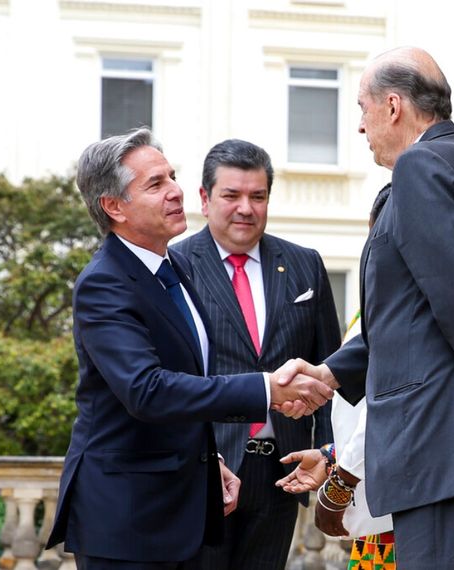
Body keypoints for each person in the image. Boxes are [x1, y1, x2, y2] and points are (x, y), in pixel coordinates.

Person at [278, 46, 454, 569]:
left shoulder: (420, 165)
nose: (360, 125)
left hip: (443, 451)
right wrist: (331, 373)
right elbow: (420, 316)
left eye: (362, 107)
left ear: (393, 106)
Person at [44, 128, 333, 568]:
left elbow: (190, 378)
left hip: (188, 500)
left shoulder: (171, 266)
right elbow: (148, 390)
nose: (175, 192)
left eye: (172, 177)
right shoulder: (104, 282)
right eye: (155, 184)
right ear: (114, 206)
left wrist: (208, 458)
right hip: (127, 518)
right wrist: (265, 389)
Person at [171, 138, 341, 570]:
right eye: (232, 195)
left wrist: (328, 452)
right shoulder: (175, 267)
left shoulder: (305, 264)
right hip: (206, 469)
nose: (245, 208)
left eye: (258, 196)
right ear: (205, 198)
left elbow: (330, 367)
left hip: (283, 472)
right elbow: (169, 379)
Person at [275, 183, 396, 569]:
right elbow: (361, 414)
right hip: (375, 512)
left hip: (409, 511)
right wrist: (332, 457)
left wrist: (342, 481)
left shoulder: (419, 310)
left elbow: (389, 410)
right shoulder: (373, 311)